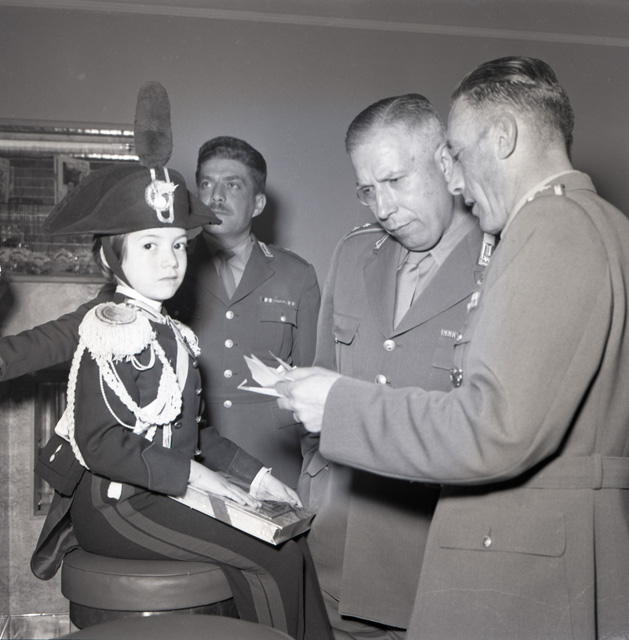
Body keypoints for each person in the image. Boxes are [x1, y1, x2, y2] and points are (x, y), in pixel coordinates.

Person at [276, 56, 629, 639]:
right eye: (367, 190)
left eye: (457, 157)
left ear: (500, 138)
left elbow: (496, 429)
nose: (459, 180)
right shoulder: (596, 223)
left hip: (472, 561)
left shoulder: (544, 228)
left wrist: (337, 405)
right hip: (349, 548)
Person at [30, 154, 332, 640]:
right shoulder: (111, 329)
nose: (170, 260)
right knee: (272, 558)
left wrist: (258, 479)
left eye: (178, 245)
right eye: (149, 245)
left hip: (160, 492)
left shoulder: (170, 332)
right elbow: (98, 442)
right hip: (118, 505)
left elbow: (194, 432)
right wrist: (198, 476)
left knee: (292, 544)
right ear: (110, 258)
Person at [0, 136, 320, 488]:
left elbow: (312, 378)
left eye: (232, 185)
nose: (216, 196)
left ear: (258, 203)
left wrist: (316, 471)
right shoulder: (159, 267)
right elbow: (86, 326)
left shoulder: (295, 274)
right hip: (172, 457)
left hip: (269, 454)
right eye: (206, 184)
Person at [299, 95, 488, 640]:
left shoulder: (501, 264)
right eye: (367, 189)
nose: (381, 208)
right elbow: (321, 383)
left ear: (447, 164)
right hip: (336, 552)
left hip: (435, 565)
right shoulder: (353, 255)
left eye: (396, 181)